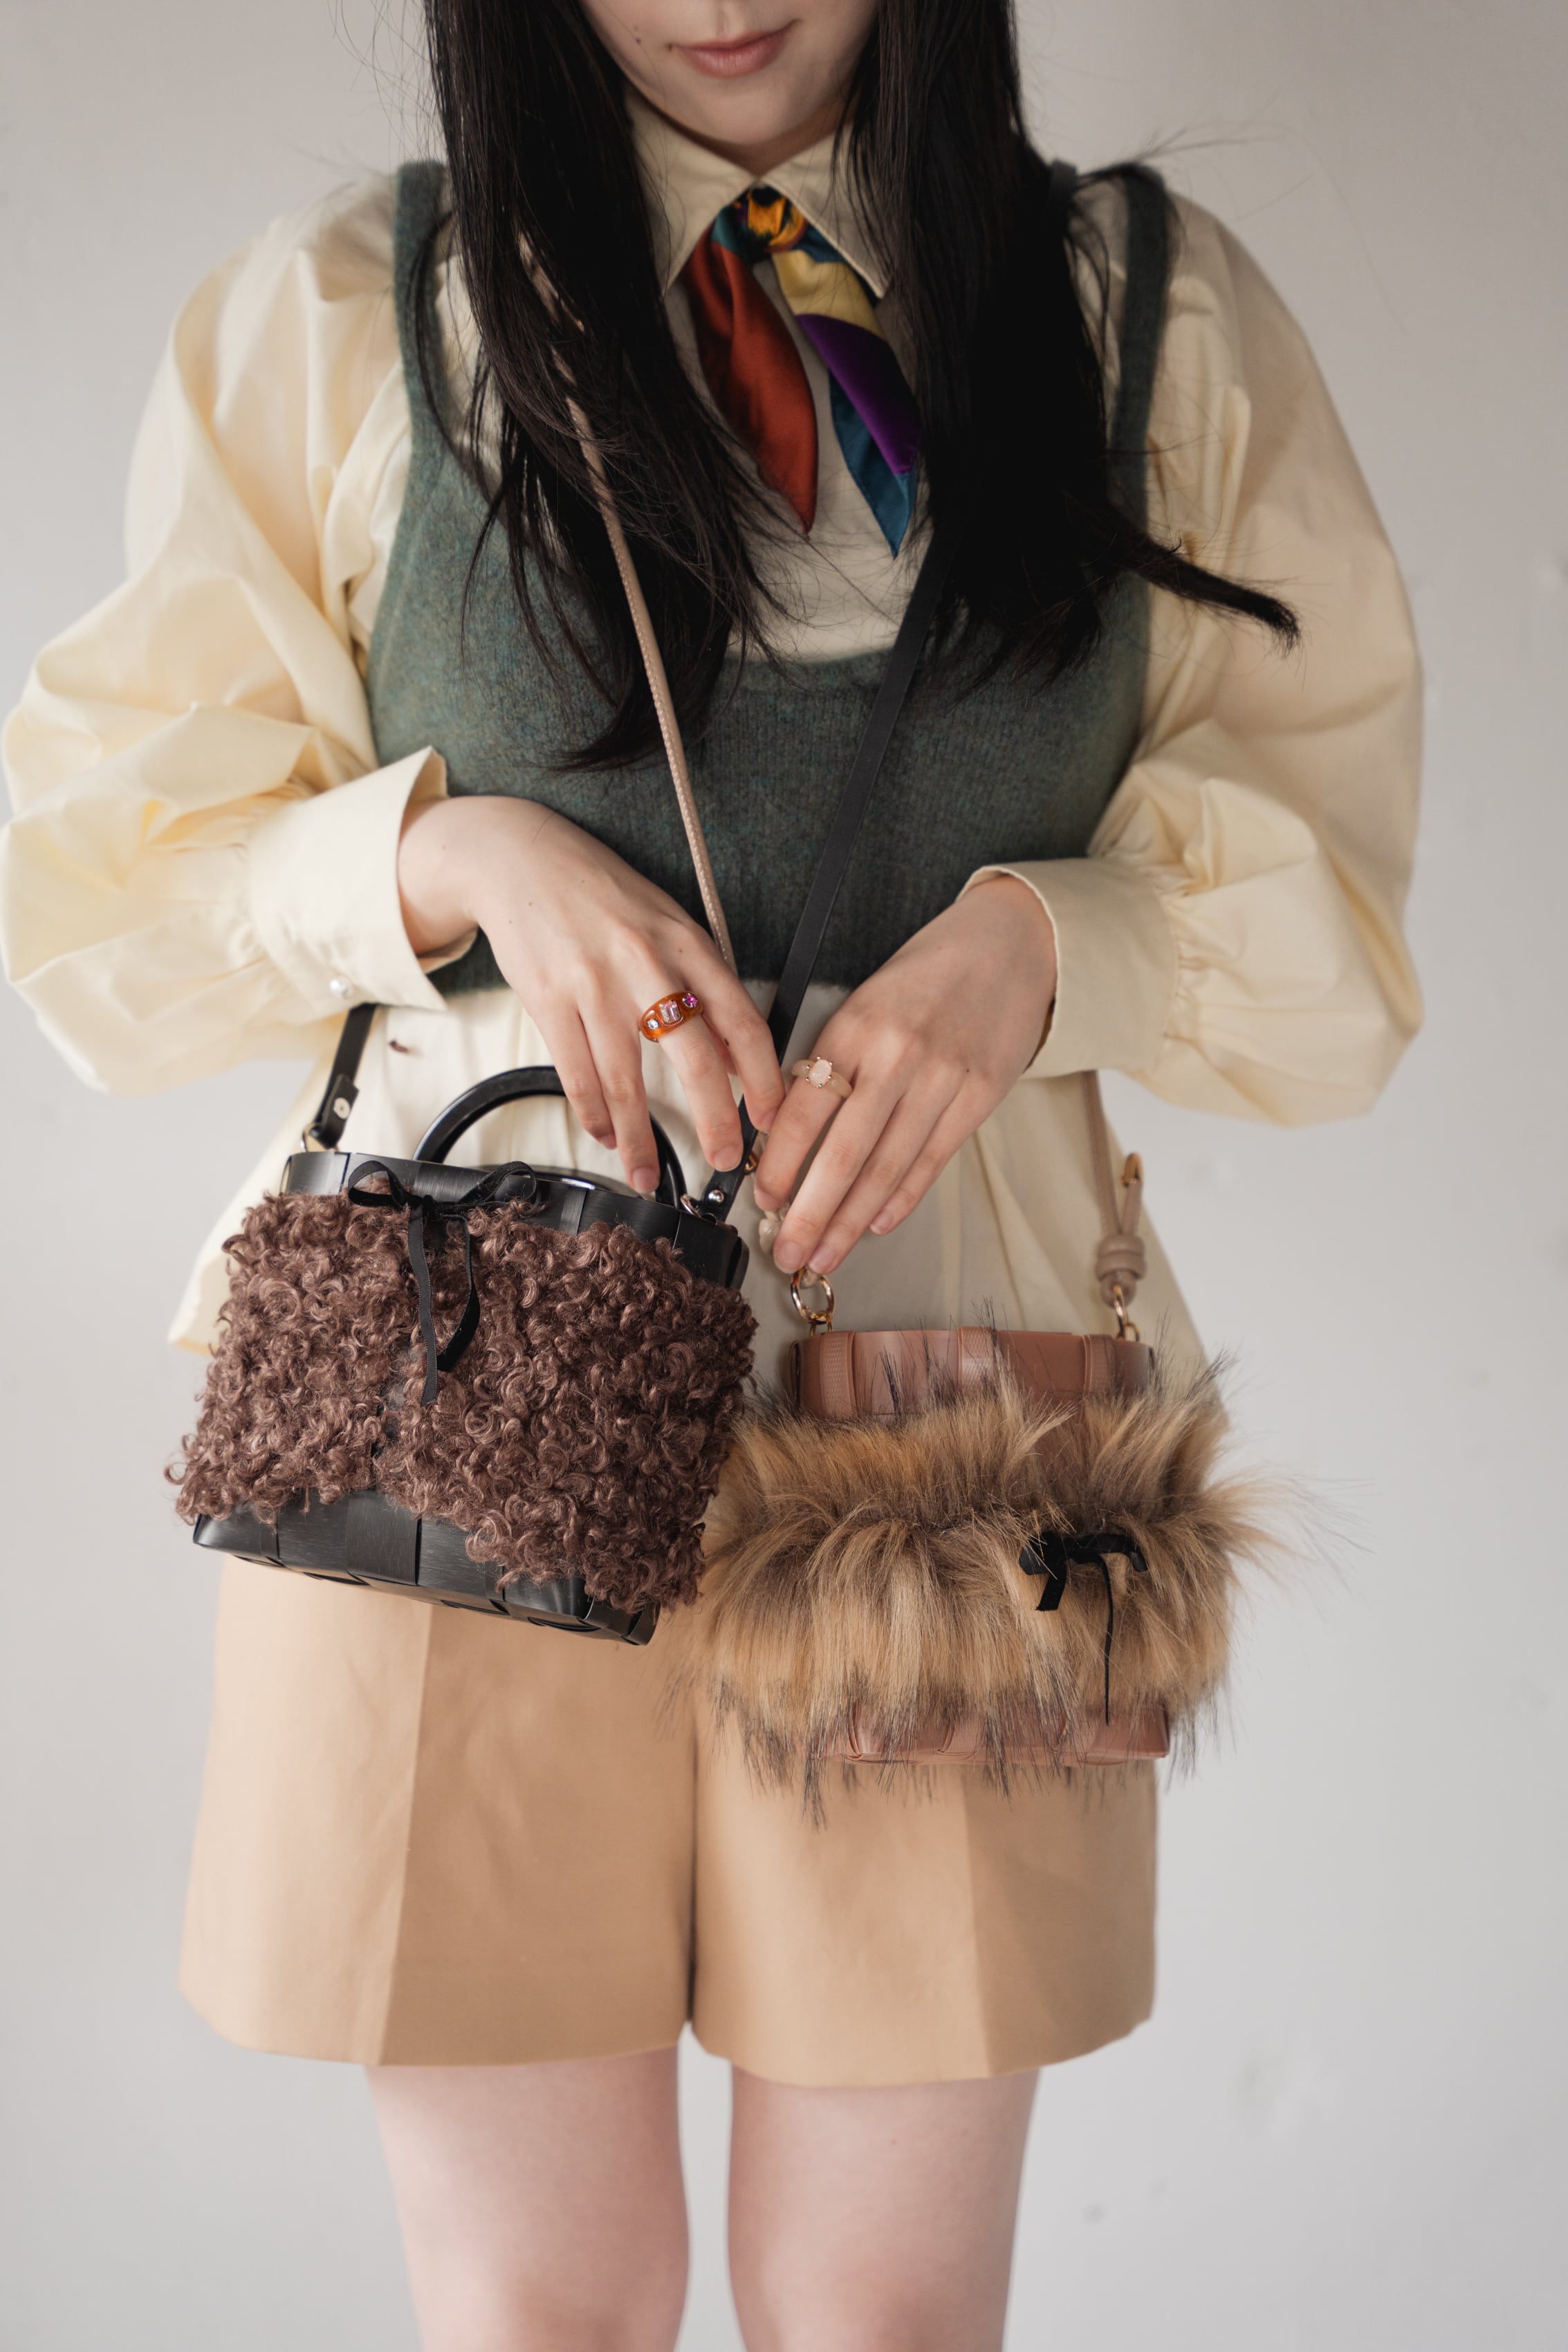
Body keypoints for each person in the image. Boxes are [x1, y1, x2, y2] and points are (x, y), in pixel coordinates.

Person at [0, 2, 1421, 2345]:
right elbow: (98, 888)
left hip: (956, 1411)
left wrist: (1040, 946)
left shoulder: (1138, 322)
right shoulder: (359, 313)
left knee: (884, 2317)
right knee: (532, 2309)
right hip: (457, 1378)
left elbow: (1331, 914)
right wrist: (445, 857)